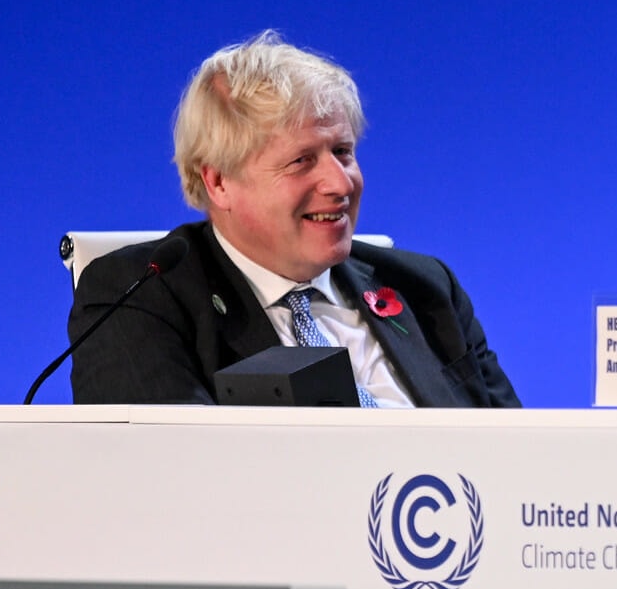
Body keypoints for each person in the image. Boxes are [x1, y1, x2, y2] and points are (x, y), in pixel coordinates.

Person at [69, 32, 519, 407]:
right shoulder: (138, 297)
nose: (340, 184)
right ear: (219, 182)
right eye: (302, 161)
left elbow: (522, 454)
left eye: (343, 152)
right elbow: (169, 477)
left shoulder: (427, 289)